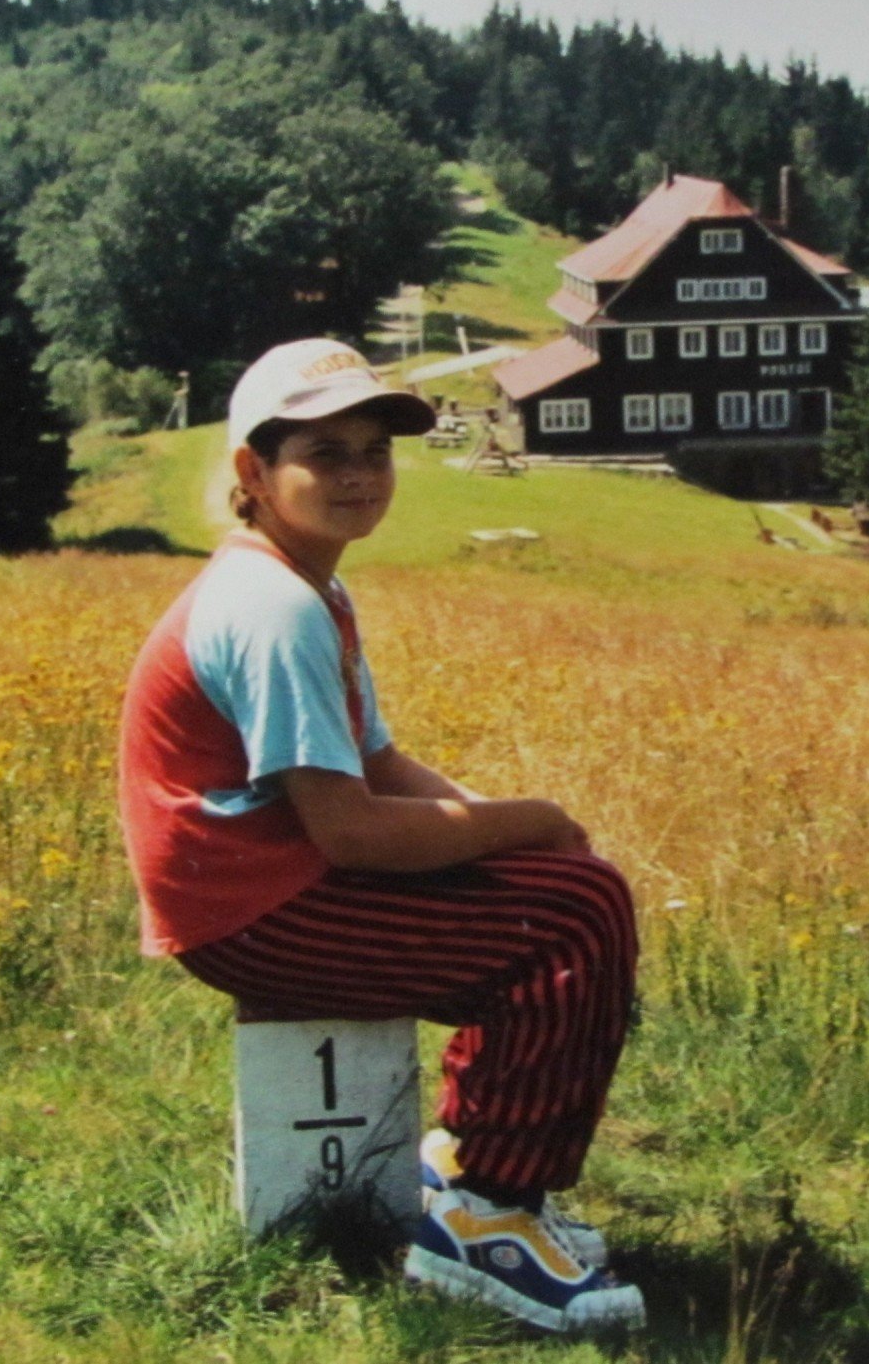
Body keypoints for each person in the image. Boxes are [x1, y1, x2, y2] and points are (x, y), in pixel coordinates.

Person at [117, 338, 645, 1333]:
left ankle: (472, 1168)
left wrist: (518, 840)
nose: (359, 474)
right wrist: (532, 820)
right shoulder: (274, 607)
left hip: (270, 885)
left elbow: (381, 765)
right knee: (574, 916)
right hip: (250, 910)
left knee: (567, 890)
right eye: (325, 452)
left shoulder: (307, 584)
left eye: (375, 450)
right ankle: (484, 1218)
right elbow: (352, 830)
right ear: (254, 471)